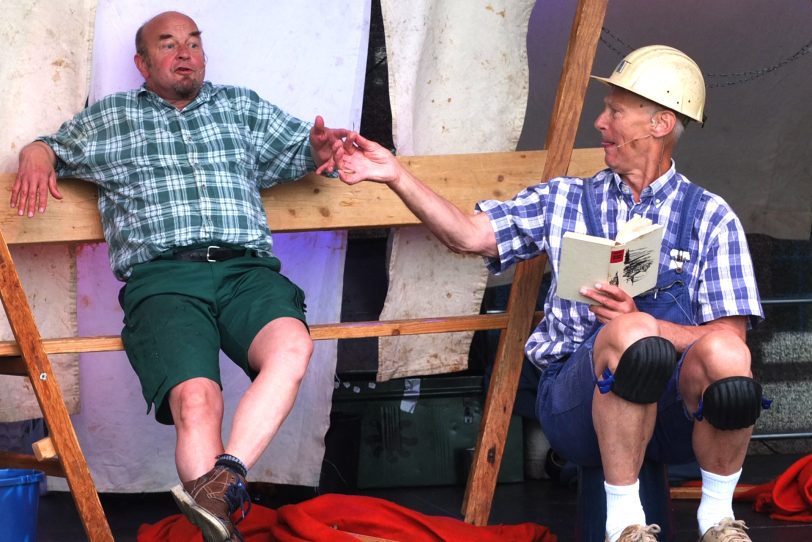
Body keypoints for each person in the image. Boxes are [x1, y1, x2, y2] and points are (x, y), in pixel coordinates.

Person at [326, 45, 767, 542]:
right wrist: (395, 175)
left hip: (673, 412)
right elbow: (467, 235)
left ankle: (718, 519)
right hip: (576, 405)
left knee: (724, 355)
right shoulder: (563, 199)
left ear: (660, 123)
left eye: (615, 111)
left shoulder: (710, 216)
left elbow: (728, 339)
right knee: (630, 336)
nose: (600, 123)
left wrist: (651, 326)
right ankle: (626, 524)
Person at [12, 11, 348, 542]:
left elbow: (301, 148)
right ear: (143, 63)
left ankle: (224, 479)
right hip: (164, 280)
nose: (185, 52)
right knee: (197, 400)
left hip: (247, 272)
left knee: (292, 348)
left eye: (194, 42)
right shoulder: (114, 117)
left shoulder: (240, 106)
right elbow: (51, 145)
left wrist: (322, 150)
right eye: (169, 45)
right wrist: (36, 153)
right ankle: (220, 525)